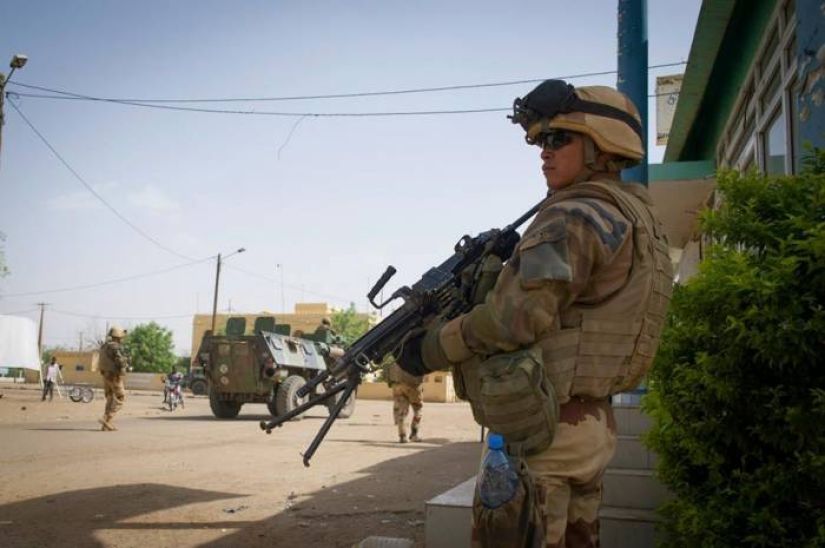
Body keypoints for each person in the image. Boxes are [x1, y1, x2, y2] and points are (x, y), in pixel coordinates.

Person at [397, 80, 673, 547]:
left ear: (601, 145)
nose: (545, 152)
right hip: (589, 427)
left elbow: (514, 319)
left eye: (559, 138)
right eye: (540, 141)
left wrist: (428, 349)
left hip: (545, 432)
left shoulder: (575, 217)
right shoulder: (632, 216)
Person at [98, 325, 130, 431]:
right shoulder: (114, 347)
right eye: (122, 337)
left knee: (110, 398)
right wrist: (126, 361)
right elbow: (119, 361)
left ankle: (106, 425)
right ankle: (106, 418)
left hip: (105, 375)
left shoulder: (104, 346)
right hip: (113, 376)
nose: (122, 339)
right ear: (118, 336)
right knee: (120, 397)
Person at [387, 362, 424, 443]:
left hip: (397, 385)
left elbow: (389, 373)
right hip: (413, 385)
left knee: (402, 412)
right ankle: (414, 434)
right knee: (418, 409)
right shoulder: (415, 359)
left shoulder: (396, 360)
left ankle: (402, 436)